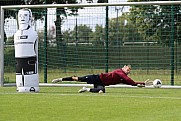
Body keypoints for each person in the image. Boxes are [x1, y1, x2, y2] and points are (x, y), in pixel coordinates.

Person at [52, 65, 152, 93]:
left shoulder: (123, 77)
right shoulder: (119, 72)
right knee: (77, 78)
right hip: (96, 77)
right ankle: (60, 79)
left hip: (101, 82)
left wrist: (143, 83)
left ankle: (86, 89)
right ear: (124, 67)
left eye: (129, 70)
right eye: (128, 69)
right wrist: (136, 83)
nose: (128, 71)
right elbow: (129, 80)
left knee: (101, 90)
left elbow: (131, 83)